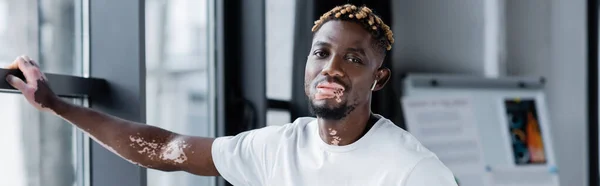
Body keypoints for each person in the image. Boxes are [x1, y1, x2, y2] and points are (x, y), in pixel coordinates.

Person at [5, 4, 457, 186]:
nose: (332, 69)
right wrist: (57, 104)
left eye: (355, 59)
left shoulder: (412, 171)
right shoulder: (278, 148)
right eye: (322, 53)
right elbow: (163, 148)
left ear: (379, 79)